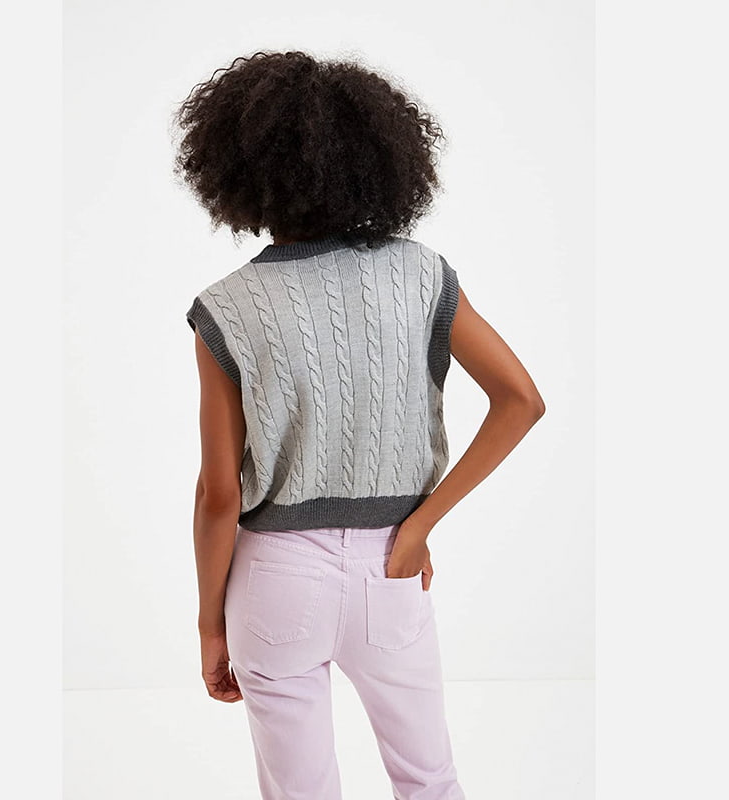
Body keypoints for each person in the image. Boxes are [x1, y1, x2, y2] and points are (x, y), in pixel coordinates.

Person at [174, 50, 545, 800]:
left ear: (237, 173)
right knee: (429, 780)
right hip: (392, 565)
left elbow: (219, 495)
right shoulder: (421, 274)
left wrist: (211, 624)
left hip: (274, 580)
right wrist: (420, 525)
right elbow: (521, 400)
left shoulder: (226, 307)